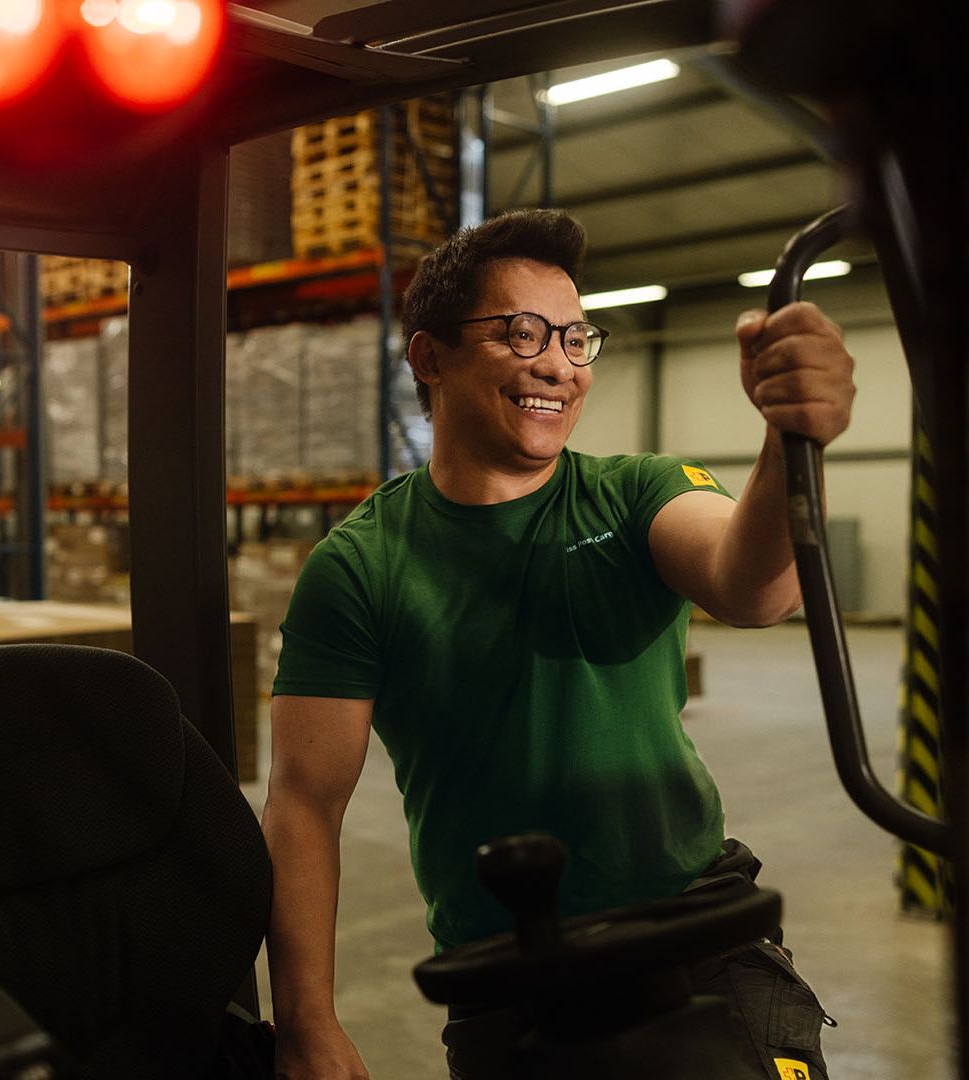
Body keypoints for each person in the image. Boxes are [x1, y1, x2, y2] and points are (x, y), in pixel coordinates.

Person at [260, 208, 854, 1079]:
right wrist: (305, 1021)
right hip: (508, 971)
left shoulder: (635, 494)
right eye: (522, 333)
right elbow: (305, 804)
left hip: (693, 932)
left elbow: (756, 588)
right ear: (429, 358)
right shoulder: (360, 567)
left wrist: (788, 434)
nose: (558, 366)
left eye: (578, 340)